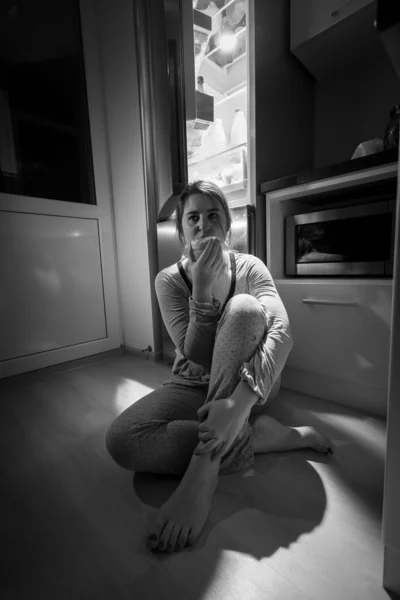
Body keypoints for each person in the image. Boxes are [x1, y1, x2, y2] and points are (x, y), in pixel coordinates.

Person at [105, 180, 331, 555]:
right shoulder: (168, 280)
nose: (203, 225)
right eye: (193, 217)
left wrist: (238, 403)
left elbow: (283, 331)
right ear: (181, 231)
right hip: (191, 382)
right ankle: (257, 438)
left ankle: (204, 468)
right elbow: (193, 353)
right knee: (123, 441)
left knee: (244, 308)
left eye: (213, 216)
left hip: (252, 384)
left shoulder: (249, 267)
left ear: (226, 226)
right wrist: (201, 289)